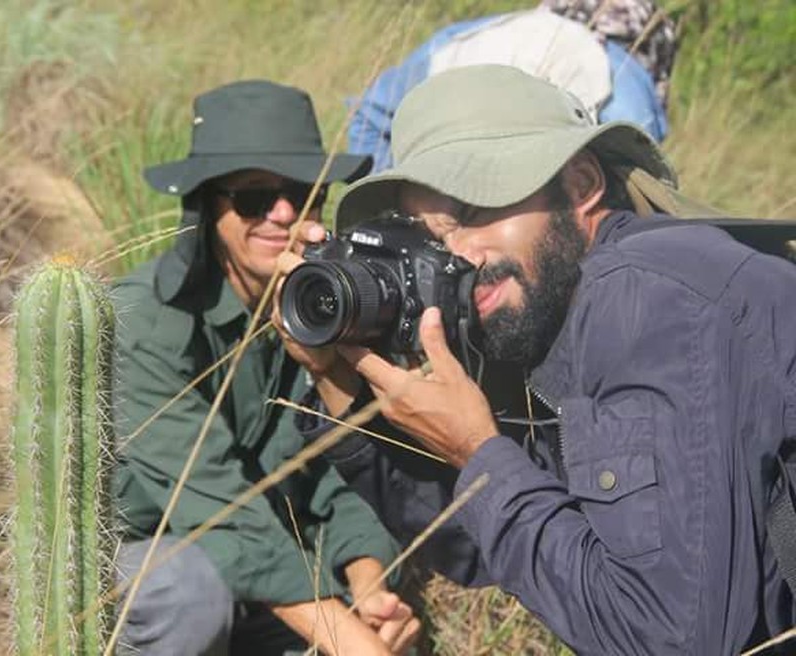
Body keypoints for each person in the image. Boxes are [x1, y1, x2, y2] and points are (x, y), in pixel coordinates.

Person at [275, 65, 796, 654]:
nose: (462, 255)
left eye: (474, 210)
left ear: (579, 184)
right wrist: (337, 378)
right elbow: (483, 551)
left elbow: (673, 640)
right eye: (432, 237)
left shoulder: (647, 300)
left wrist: (479, 453)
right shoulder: (552, 316)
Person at [111, 79, 420, 656]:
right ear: (208, 207)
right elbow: (220, 511)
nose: (282, 213)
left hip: (262, 558)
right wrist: (352, 642)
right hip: (142, 557)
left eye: (303, 190)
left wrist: (369, 586)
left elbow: (344, 473)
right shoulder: (143, 322)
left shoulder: (325, 310)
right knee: (192, 593)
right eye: (255, 197)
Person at [349, 0, 676, 173]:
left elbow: (369, 112)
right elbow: (644, 193)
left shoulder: (469, 36)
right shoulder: (631, 90)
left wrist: (389, 217)